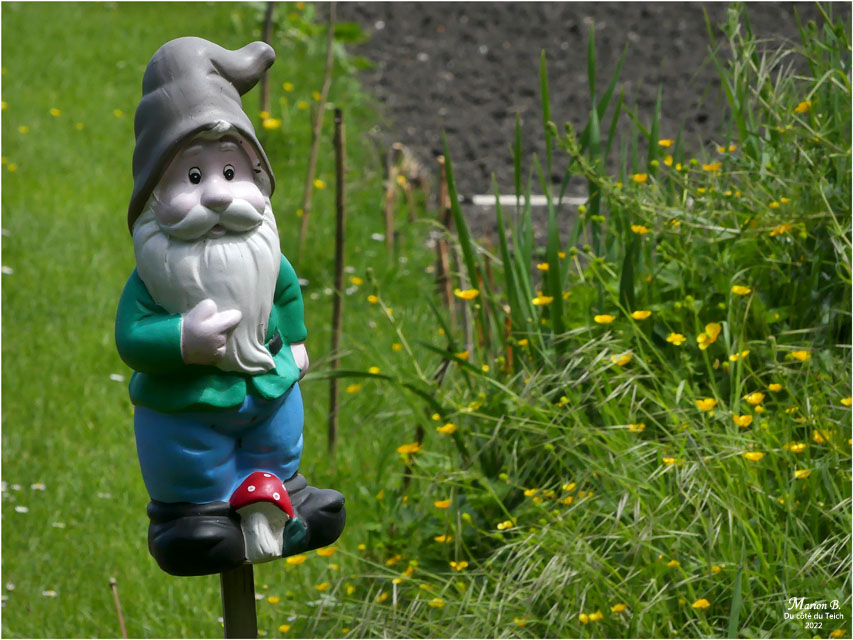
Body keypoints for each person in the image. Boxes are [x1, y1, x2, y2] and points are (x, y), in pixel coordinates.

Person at [115, 37, 344, 576]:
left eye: (231, 173)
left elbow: (285, 293)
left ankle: (284, 498)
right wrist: (182, 340)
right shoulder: (153, 280)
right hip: (188, 409)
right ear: (153, 195)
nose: (218, 196)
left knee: (278, 444)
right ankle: (192, 519)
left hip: (268, 387)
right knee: (192, 464)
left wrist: (296, 340)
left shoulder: (265, 256)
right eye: (193, 178)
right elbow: (132, 337)